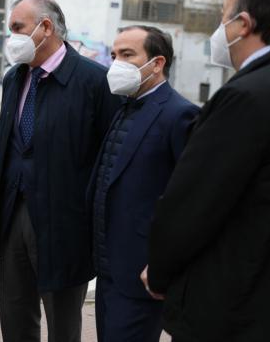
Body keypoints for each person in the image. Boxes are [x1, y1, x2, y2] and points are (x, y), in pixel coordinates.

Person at [144, 0, 270, 341]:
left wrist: (159, 271)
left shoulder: (248, 95)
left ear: (243, 24)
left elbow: (194, 202)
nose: (219, 29)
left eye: (223, 17)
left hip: (232, 305)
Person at [0, 0, 119, 342]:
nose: (11, 37)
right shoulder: (15, 78)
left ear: (46, 28)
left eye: (17, 28)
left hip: (64, 223)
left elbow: (109, 160)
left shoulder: (94, 81)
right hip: (14, 213)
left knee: (62, 323)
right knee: (15, 318)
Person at [87, 26, 199, 341]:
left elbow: (189, 199)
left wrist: (163, 262)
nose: (116, 64)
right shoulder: (123, 107)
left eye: (127, 55)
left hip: (141, 274)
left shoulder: (180, 114)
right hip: (107, 268)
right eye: (113, 55)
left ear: (157, 63)